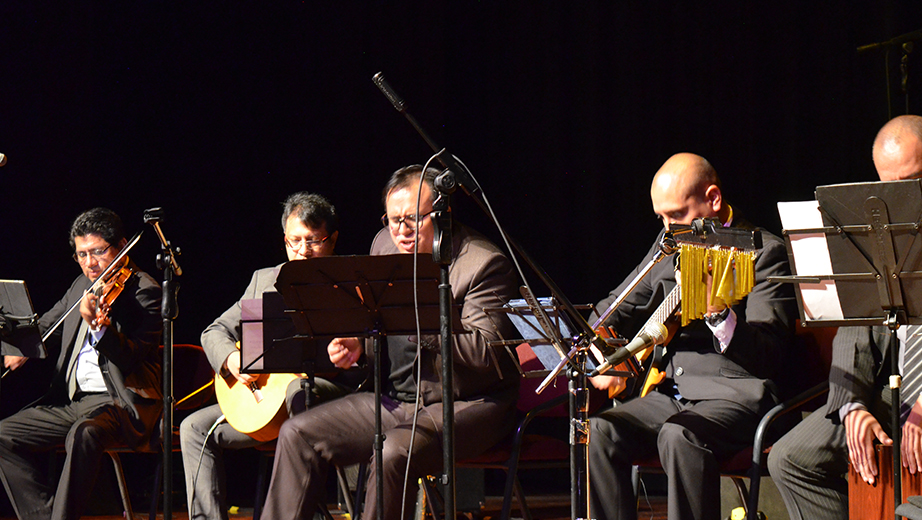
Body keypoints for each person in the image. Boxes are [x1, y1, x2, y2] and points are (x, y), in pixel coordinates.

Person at [259, 165, 521, 520]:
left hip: (470, 403)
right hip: (398, 402)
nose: (401, 230)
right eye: (393, 219)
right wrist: (359, 343)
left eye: (413, 218)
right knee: (297, 434)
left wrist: (422, 319)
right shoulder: (384, 244)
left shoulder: (482, 264)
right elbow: (377, 320)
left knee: (391, 452)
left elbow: (487, 353)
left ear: (441, 213)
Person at [587, 153, 797, 520]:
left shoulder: (765, 252)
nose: (668, 230)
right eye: (661, 219)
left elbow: (768, 354)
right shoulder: (668, 243)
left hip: (736, 394)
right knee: (601, 432)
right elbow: (611, 307)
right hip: (672, 393)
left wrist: (717, 311)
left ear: (713, 199)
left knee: (678, 436)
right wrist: (603, 350)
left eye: (678, 216)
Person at [767, 114, 922, 520]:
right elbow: (858, 323)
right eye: (890, 185)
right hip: (890, 390)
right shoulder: (882, 229)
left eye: (913, 179)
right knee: (790, 459)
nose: (902, 194)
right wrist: (851, 404)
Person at [178, 192, 359, 520]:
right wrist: (232, 361)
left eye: (313, 241)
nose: (302, 252)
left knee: (297, 392)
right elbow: (213, 331)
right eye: (294, 241)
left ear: (332, 240)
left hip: (328, 400)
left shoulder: (349, 284)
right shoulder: (264, 280)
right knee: (193, 427)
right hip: (266, 405)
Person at [0, 207, 163, 520]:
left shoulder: (145, 291)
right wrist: (22, 344)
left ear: (121, 245)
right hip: (72, 402)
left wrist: (100, 328)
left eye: (99, 252)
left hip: (120, 402)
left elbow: (131, 357)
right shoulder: (80, 286)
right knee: (3, 435)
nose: (90, 263)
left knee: (84, 433)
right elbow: (48, 324)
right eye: (82, 254)